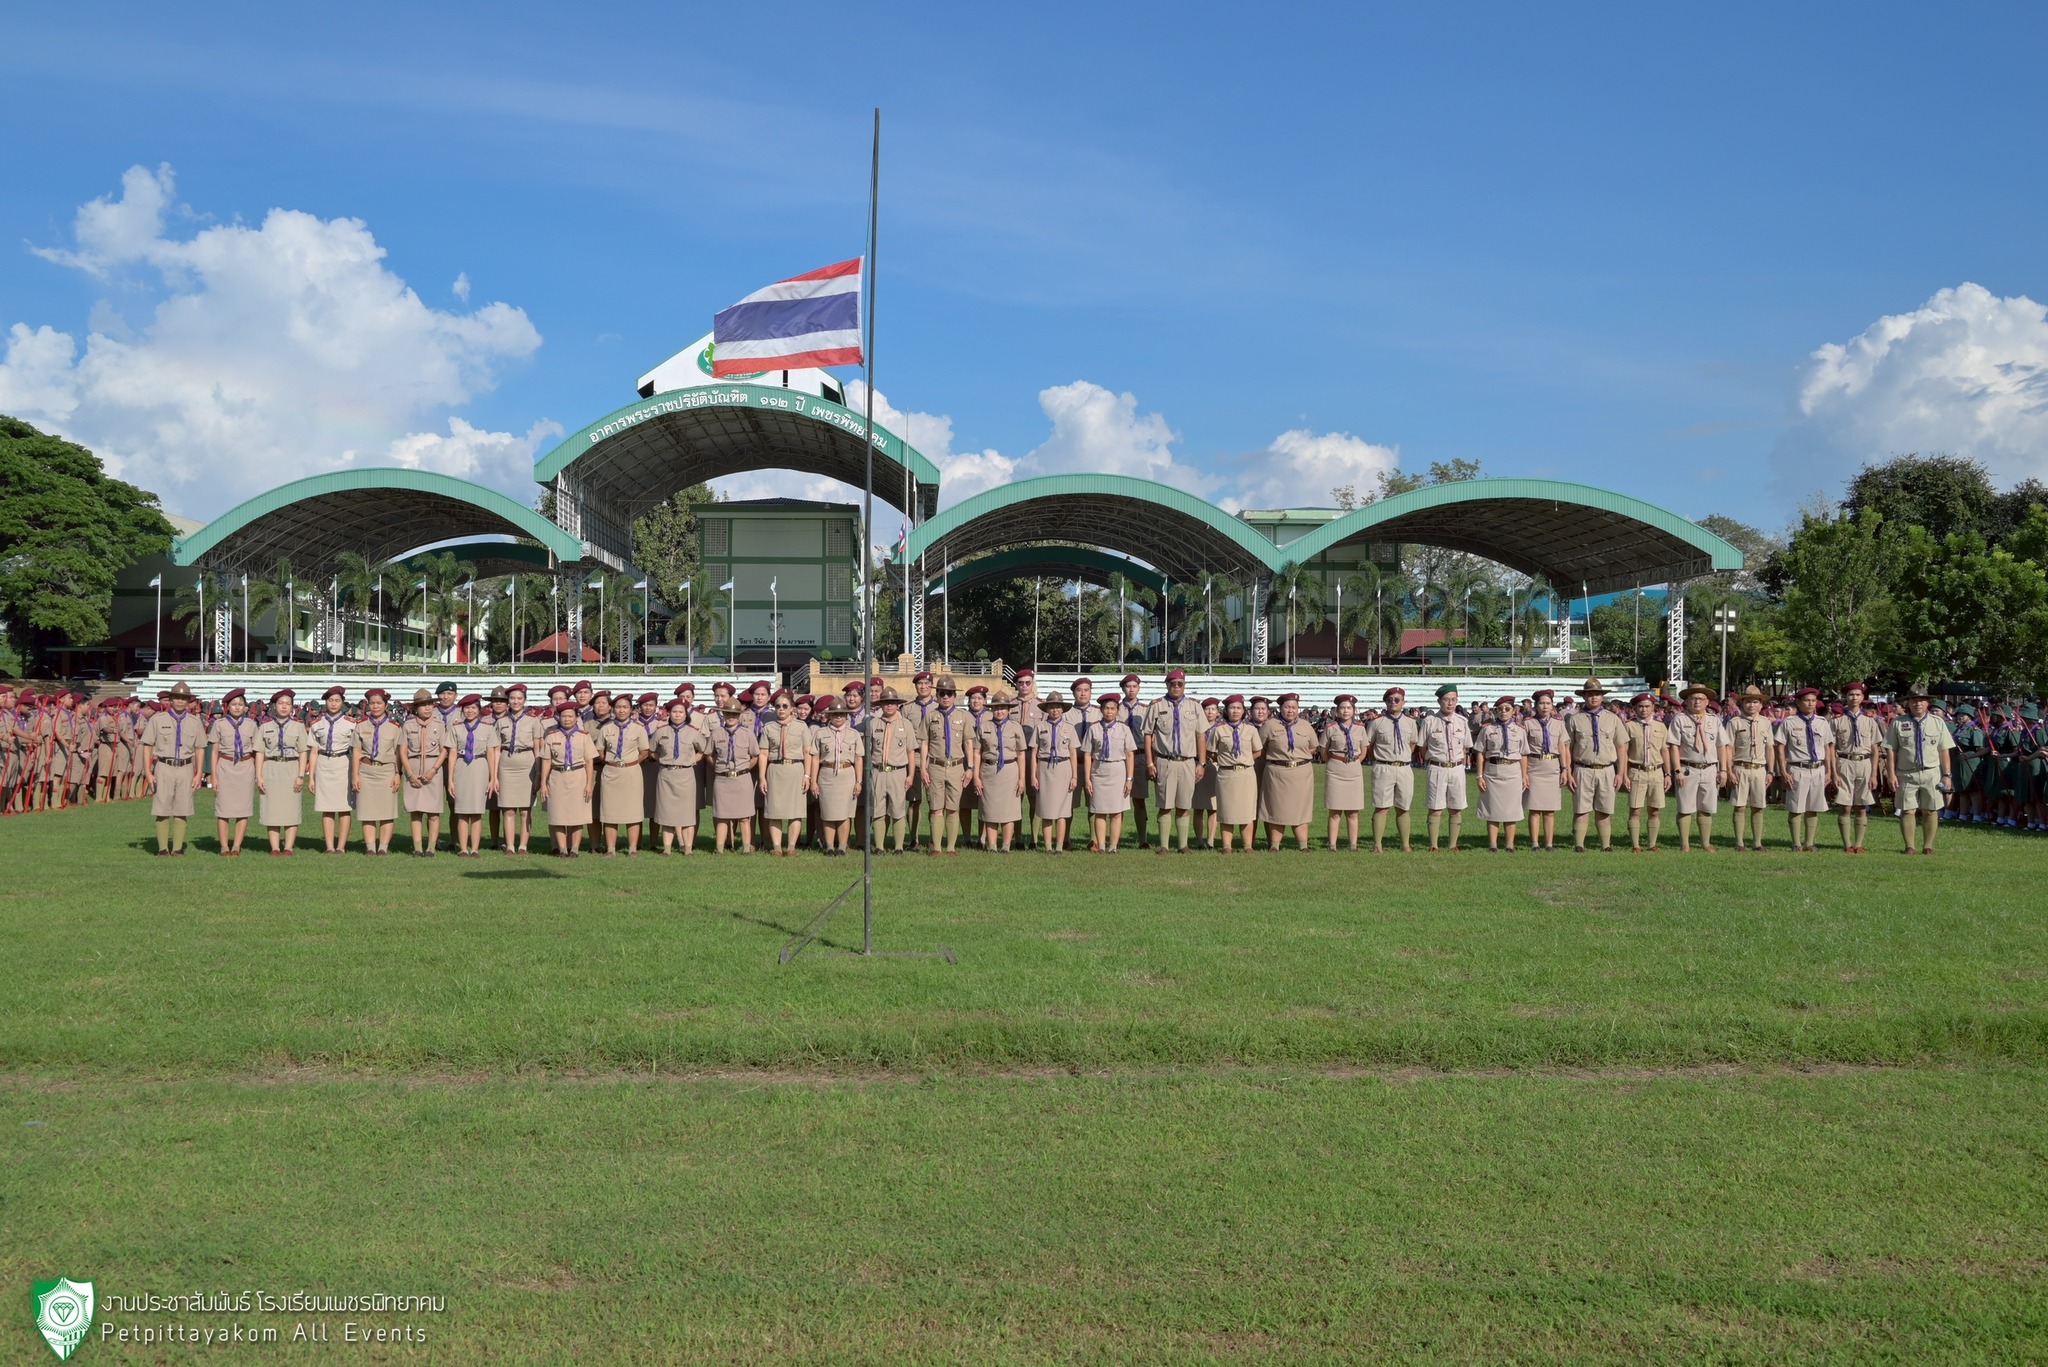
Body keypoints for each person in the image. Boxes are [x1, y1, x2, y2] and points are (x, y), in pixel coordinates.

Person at [1143, 669, 1207, 855]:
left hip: (1187, 761)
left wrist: (1201, 763)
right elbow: (1148, 736)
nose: (1176, 687)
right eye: (1173, 683)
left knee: (1184, 804)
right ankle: (1164, 845)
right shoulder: (1156, 706)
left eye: (1180, 683)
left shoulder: (1194, 706)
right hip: (1165, 761)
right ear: (1167, 685)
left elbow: (1200, 736)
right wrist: (1150, 763)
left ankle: (1182, 845)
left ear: (1184, 684)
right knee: (1164, 804)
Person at [1885, 691, 1956, 855]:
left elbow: (1943, 750)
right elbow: (1891, 750)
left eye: (1921, 701)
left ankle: (1928, 846)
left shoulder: (1938, 723)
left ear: (1927, 703)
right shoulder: (1897, 723)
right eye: (1914, 701)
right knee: (1907, 810)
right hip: (1907, 773)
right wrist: (1891, 774)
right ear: (1908, 704)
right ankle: (1910, 846)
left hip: (1931, 773)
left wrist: (1947, 775)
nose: (1918, 704)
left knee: (1930, 810)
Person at [140, 681, 204, 855]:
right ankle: (162, 848)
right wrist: (147, 772)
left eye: (184, 698)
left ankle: (177, 848)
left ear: (189, 701)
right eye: (177, 697)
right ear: (170, 699)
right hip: (164, 766)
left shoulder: (194, 722)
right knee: (162, 808)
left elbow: (199, 749)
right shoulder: (158, 719)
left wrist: (199, 773)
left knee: (182, 809)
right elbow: (147, 746)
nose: (180, 701)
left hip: (185, 767)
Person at [1668, 684, 1730, 853]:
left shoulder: (1714, 720)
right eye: (1693, 698)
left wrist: (1723, 770)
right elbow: (1673, 746)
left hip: (1709, 769)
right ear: (1686, 701)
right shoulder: (1680, 719)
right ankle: (1685, 843)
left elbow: (1721, 746)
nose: (1697, 702)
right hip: (1688, 768)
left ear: (1707, 702)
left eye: (1701, 699)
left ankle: (1705, 843)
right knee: (1685, 807)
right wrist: (1677, 770)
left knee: (1706, 807)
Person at [1775, 686, 1837, 853]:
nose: (1810, 704)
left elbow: (1828, 747)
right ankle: (1796, 843)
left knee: (1813, 807)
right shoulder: (1789, 722)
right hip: (1797, 768)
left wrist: (1829, 771)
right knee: (1796, 807)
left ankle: (1809, 842)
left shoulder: (1822, 723)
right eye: (1806, 700)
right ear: (1798, 702)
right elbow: (1780, 746)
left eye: (1813, 701)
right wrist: (1783, 770)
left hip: (1817, 768)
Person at [1566, 678, 1621, 853]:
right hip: (1583, 769)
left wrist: (1621, 773)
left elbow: (1622, 747)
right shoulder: (1575, 720)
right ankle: (1579, 844)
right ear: (1584, 697)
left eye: (1597, 694)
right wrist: (1568, 771)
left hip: (1606, 770)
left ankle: (1605, 844)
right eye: (1590, 694)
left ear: (1602, 697)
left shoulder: (1613, 719)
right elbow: (1567, 747)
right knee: (1582, 808)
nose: (1594, 698)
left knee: (1604, 808)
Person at [919, 677, 973, 856]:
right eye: (942, 693)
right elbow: (925, 743)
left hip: (956, 766)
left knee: (952, 807)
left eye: (949, 693)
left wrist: (970, 768)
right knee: (936, 807)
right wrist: (923, 768)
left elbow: (968, 743)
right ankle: (936, 847)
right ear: (937, 695)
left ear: (955, 696)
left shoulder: (963, 717)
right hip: (935, 766)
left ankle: (951, 847)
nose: (946, 697)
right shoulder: (930, 716)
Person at [1257, 692, 1316, 851]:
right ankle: (1275, 846)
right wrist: (1277, 758)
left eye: (1294, 707)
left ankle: (1303, 845)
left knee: (1301, 809)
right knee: (1277, 808)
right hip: (1277, 773)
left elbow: (1313, 747)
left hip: (1301, 773)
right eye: (1287, 707)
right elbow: (1259, 748)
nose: (1291, 710)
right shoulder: (1270, 725)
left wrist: (1298, 758)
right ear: (1280, 708)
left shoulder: (1305, 725)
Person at [651, 696, 710, 855]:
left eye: (681, 712)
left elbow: (703, 750)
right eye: (674, 712)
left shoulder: (693, 732)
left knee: (687, 813)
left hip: (685, 774)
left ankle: (688, 848)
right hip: (666, 774)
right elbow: (652, 751)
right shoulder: (661, 732)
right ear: (669, 713)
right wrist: (662, 760)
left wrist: (692, 760)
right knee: (667, 812)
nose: (677, 715)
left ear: (686, 714)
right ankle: (667, 849)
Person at [761, 690, 816, 857]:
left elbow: (808, 752)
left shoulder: (801, 726)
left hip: (795, 769)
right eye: (777, 706)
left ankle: (791, 846)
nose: (781, 709)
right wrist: (762, 777)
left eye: (785, 706)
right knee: (774, 810)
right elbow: (764, 753)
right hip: (775, 770)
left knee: (795, 811)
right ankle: (777, 846)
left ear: (792, 708)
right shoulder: (768, 727)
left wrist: (807, 775)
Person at [595, 692, 651, 856]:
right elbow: (599, 750)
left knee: (632, 811)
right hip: (611, 773)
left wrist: (631, 763)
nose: (621, 710)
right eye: (618, 707)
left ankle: (633, 848)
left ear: (631, 709)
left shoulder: (638, 729)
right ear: (613, 709)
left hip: (631, 772)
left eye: (625, 707)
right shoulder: (606, 729)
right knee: (609, 811)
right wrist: (611, 762)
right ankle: (611, 849)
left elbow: (644, 751)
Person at [1419, 685, 1473, 852]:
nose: (1450, 703)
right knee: (1435, 807)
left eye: (1453, 699)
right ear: (1439, 701)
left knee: (1456, 807)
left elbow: (1466, 747)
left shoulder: (1462, 721)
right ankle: (1434, 845)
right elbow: (1422, 747)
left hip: (1457, 768)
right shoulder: (1429, 721)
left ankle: (1452, 844)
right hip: (1437, 768)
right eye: (1446, 700)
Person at [207, 688, 260, 856]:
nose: (237, 707)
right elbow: (214, 751)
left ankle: (236, 845)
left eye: (240, 704)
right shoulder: (219, 724)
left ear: (245, 707)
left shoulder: (251, 725)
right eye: (233, 704)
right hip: (225, 765)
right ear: (227, 707)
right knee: (223, 808)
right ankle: (224, 846)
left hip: (245, 766)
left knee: (243, 808)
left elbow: (257, 750)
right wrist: (213, 776)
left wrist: (257, 774)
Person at [864, 690, 919, 854]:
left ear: (897, 705)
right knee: (878, 809)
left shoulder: (906, 725)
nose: (889, 705)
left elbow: (911, 752)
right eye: (886, 702)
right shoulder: (874, 724)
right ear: (881, 704)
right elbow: (869, 750)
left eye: (892, 703)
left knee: (897, 809)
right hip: (878, 772)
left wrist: (910, 775)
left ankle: (898, 847)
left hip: (898, 771)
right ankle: (879, 846)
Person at [1082, 692, 1138, 852]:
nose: (1109, 712)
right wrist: (1087, 778)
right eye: (1106, 708)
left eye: (1113, 708)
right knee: (1099, 810)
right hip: (1099, 770)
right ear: (1101, 709)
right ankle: (1100, 845)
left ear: (1117, 710)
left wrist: (1129, 779)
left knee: (1116, 811)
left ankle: (1113, 846)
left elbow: (1129, 754)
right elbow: (1087, 754)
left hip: (1118, 770)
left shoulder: (1124, 729)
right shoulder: (1093, 729)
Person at [1367, 687, 1418, 854]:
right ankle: (1377, 845)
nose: (1393, 703)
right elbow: (1369, 745)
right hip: (1384, 767)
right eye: (1390, 700)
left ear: (1403, 702)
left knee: (1403, 807)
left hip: (1404, 768)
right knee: (1381, 806)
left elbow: (1412, 745)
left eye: (1397, 700)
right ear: (1385, 702)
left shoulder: (1411, 723)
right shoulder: (1376, 723)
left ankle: (1405, 845)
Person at [350, 688, 401, 855]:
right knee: (367, 811)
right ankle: (370, 847)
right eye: (372, 703)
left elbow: (398, 753)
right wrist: (355, 775)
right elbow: (356, 752)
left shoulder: (394, 727)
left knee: (387, 812)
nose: (376, 706)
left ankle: (383, 847)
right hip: (366, 770)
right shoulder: (361, 726)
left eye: (379, 703)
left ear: (386, 705)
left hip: (386, 770)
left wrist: (397, 774)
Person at [448, 694, 500, 857]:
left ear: (479, 710)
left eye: (473, 708)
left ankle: (475, 848)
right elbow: (452, 753)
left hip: (480, 767)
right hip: (462, 767)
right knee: (462, 811)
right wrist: (450, 778)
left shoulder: (488, 727)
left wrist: (493, 778)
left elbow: (491, 753)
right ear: (462, 710)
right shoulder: (456, 728)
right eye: (467, 708)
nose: (470, 711)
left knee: (477, 812)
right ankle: (463, 848)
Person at [540, 701, 594, 857]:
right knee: (558, 814)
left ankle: (575, 848)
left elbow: (589, 761)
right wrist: (543, 783)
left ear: (577, 717)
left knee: (578, 815)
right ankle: (563, 848)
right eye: (564, 716)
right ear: (558, 717)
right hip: (558, 777)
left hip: (578, 776)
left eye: (571, 716)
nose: (567, 719)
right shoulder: (552, 736)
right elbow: (546, 761)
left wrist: (589, 784)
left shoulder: (584, 736)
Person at [1831, 682, 1880, 853]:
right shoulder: (1837, 722)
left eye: (1858, 695)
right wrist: (1833, 772)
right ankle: (1847, 844)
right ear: (1846, 697)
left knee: (1861, 805)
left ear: (1863, 698)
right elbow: (1830, 748)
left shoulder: (1870, 722)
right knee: (1845, 805)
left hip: (1864, 763)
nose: (1854, 698)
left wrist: (1874, 774)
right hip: (1844, 762)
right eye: (1851, 694)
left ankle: (1858, 844)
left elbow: (1875, 749)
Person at [709, 699, 763, 854]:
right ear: (723, 714)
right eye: (728, 713)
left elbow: (754, 756)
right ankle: (719, 848)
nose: (731, 717)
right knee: (721, 816)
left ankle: (746, 847)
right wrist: (720, 768)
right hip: (722, 779)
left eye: (734, 714)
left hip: (742, 779)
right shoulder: (716, 733)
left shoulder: (747, 734)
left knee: (745, 816)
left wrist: (744, 769)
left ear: (739, 715)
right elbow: (709, 754)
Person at [1475, 695, 1528, 851]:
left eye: (1507, 709)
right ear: (1495, 711)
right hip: (1493, 771)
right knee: (1492, 809)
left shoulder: (1519, 730)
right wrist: (1479, 776)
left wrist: (1524, 775)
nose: (1503, 712)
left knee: (1511, 810)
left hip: (1512, 771)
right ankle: (1493, 844)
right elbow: (1480, 753)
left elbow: (1524, 754)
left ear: (1513, 711)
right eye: (1500, 709)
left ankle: (1510, 844)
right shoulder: (1487, 729)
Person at [974, 694, 1026, 852]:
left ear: (1008, 710)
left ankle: (1006, 845)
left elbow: (1021, 753)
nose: (999, 711)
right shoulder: (984, 726)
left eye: (1003, 708)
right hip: (989, 771)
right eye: (996, 708)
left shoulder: (1015, 727)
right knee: (990, 809)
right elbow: (977, 752)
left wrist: (1022, 778)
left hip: (1010, 771)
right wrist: (976, 776)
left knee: (1008, 810)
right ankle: (992, 845)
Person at [1208, 695, 1258, 853]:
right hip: (1226, 775)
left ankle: (1247, 846)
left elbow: (1257, 751)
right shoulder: (1218, 730)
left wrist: (1245, 760)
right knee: (1226, 811)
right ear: (1226, 710)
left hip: (1246, 774)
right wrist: (1226, 761)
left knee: (1247, 811)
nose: (1235, 711)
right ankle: (1227, 846)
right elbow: (1211, 752)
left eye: (1238, 708)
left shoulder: (1251, 730)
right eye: (1232, 708)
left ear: (1243, 711)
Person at [400, 690, 448, 857]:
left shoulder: (440, 725)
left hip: (433, 766)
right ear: (416, 708)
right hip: (413, 765)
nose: (427, 708)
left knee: (434, 812)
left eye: (429, 704)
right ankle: (418, 847)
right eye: (423, 705)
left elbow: (444, 751)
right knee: (416, 811)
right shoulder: (408, 725)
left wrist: (434, 770)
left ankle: (431, 848)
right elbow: (403, 751)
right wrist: (409, 773)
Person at [1622, 692, 1672, 852]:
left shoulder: (1660, 726)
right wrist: (1624, 774)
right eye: (1640, 707)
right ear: (1635, 708)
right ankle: (1635, 845)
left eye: (1647, 706)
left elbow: (1665, 750)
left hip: (1656, 772)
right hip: (1637, 771)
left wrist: (1668, 774)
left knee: (1654, 810)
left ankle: (1652, 844)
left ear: (1653, 708)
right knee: (1635, 810)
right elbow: (1624, 751)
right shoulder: (1629, 726)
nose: (1644, 710)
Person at [1029, 691, 1078, 854]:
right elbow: (1034, 753)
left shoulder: (1069, 728)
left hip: (1063, 768)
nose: (1055, 710)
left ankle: (1059, 846)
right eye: (1051, 707)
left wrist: (1074, 776)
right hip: (1044, 768)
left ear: (1062, 709)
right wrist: (1033, 776)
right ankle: (1048, 846)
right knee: (1046, 810)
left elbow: (1072, 753)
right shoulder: (1040, 727)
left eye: (1058, 707)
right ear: (1046, 709)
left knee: (1062, 811)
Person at [813, 701, 864, 856]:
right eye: (835, 714)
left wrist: (858, 781)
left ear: (846, 716)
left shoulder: (853, 734)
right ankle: (829, 846)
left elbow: (858, 758)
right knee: (828, 813)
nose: (838, 717)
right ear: (830, 716)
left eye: (841, 714)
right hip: (827, 774)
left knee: (844, 813)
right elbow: (815, 757)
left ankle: (842, 846)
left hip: (847, 774)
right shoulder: (821, 733)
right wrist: (813, 781)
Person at [310, 685, 357, 854]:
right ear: (325, 702)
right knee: (327, 807)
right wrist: (311, 777)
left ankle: (341, 846)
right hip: (324, 763)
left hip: (344, 763)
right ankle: (329, 846)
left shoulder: (351, 724)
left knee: (344, 807)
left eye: (337, 700)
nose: (334, 704)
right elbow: (314, 751)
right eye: (330, 700)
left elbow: (357, 749)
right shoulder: (317, 724)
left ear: (343, 703)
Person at [1318, 694, 1367, 851]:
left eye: (1348, 708)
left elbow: (1364, 750)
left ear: (1354, 710)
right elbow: (1323, 750)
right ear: (1337, 711)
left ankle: (1353, 845)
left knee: (1353, 812)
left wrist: (1355, 761)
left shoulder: (1360, 728)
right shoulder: (1331, 728)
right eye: (1342, 708)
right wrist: (1333, 762)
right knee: (1335, 811)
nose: (1345, 711)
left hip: (1353, 769)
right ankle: (1332, 844)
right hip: (1336, 769)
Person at [1522, 689, 1565, 851]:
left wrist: (1565, 769)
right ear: (1535, 706)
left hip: (1552, 766)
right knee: (1534, 809)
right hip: (1534, 766)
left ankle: (1549, 843)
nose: (1545, 706)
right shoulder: (1528, 723)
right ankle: (1534, 843)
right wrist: (1524, 773)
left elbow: (1562, 747)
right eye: (1541, 703)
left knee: (1549, 810)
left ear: (1552, 705)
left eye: (1548, 703)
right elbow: (1524, 750)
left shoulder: (1559, 723)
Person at [1067, 677, 1103, 849]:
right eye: (1079, 690)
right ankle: (1065, 838)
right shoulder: (1066, 714)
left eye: (1086, 690)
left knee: (1094, 802)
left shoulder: (1099, 713)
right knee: (1068, 803)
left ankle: (1094, 840)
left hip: (1093, 764)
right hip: (1071, 764)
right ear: (1073, 692)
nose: (1083, 693)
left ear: (1091, 692)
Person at [1116, 673, 1150, 848]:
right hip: (1119, 758)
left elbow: (1151, 736)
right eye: (1128, 686)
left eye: (1134, 687)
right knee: (1117, 801)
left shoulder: (1145, 710)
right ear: (1123, 688)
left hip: (1139, 756)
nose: (1131, 690)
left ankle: (1142, 839)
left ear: (1139, 688)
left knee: (1139, 800)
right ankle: (1116, 838)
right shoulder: (1115, 709)